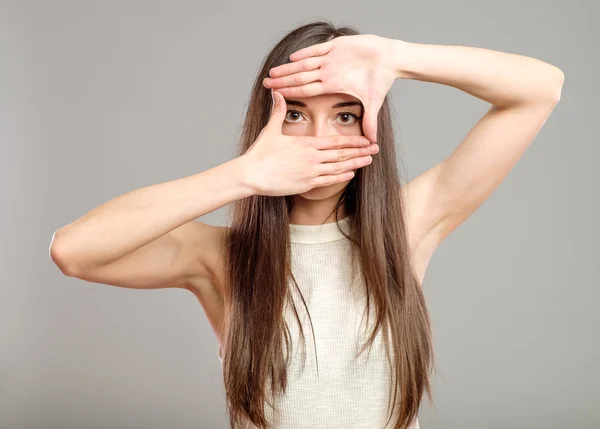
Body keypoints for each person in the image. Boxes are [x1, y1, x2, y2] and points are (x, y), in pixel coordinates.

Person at [49, 20, 564, 429]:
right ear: (266, 126)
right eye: (295, 114)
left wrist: (395, 58)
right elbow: (73, 250)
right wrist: (244, 174)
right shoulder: (223, 256)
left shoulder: (406, 228)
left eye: (345, 115)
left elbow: (541, 89)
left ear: (372, 123)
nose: (321, 138)